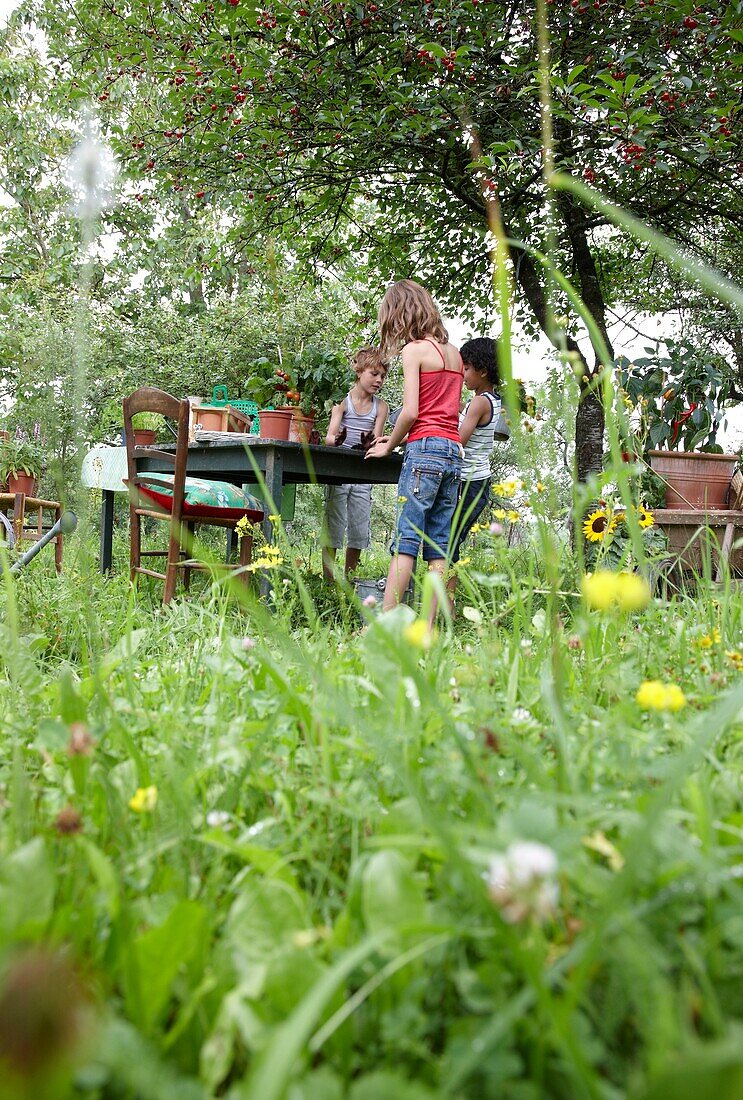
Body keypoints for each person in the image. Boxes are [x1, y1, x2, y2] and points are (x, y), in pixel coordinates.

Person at [366, 279, 464, 615]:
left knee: (406, 542)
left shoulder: (414, 350)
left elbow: (411, 412)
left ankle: (387, 625)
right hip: (452, 451)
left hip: (424, 451)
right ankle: (427, 630)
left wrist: (390, 445)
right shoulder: (455, 354)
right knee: (439, 547)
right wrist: (404, 439)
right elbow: (441, 416)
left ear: (400, 315)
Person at [322, 346, 389, 580]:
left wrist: (369, 444)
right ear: (359, 371)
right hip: (339, 472)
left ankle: (349, 579)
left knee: (359, 526)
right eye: (374, 374)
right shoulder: (342, 402)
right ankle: (328, 581)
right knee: (334, 525)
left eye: (383, 376)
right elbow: (329, 437)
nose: (379, 380)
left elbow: (376, 440)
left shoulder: (380, 407)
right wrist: (337, 439)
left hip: (362, 473)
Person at [447, 336, 507, 599]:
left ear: (482, 371)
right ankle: (443, 606)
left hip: (469, 483)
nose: (463, 374)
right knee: (449, 542)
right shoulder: (490, 400)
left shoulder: (479, 402)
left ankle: (445, 607)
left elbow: (459, 440)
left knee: (447, 544)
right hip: (476, 482)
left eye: (467, 368)